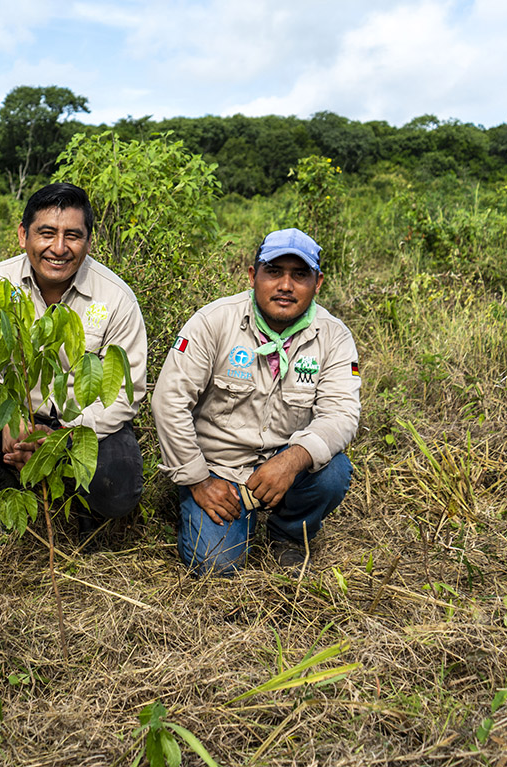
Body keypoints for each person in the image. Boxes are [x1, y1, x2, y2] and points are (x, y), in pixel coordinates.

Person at [0, 183, 147, 538]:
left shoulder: (117, 298)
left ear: (89, 242)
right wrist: (6, 417)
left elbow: (125, 393)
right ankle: (5, 497)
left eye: (72, 236)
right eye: (47, 233)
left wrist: (61, 438)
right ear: (22, 235)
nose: (59, 248)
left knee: (117, 485)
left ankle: (79, 508)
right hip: (14, 418)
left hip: (82, 424)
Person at [151, 228, 359, 576]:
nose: (285, 286)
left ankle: (288, 533)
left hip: (286, 469)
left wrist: (292, 460)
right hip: (218, 470)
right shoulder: (213, 321)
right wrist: (199, 481)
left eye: (300, 275)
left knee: (333, 473)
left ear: (318, 282)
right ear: (253, 275)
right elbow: (169, 402)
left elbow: (342, 414)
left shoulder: (334, 336)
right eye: (274, 272)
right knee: (215, 566)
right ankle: (210, 512)